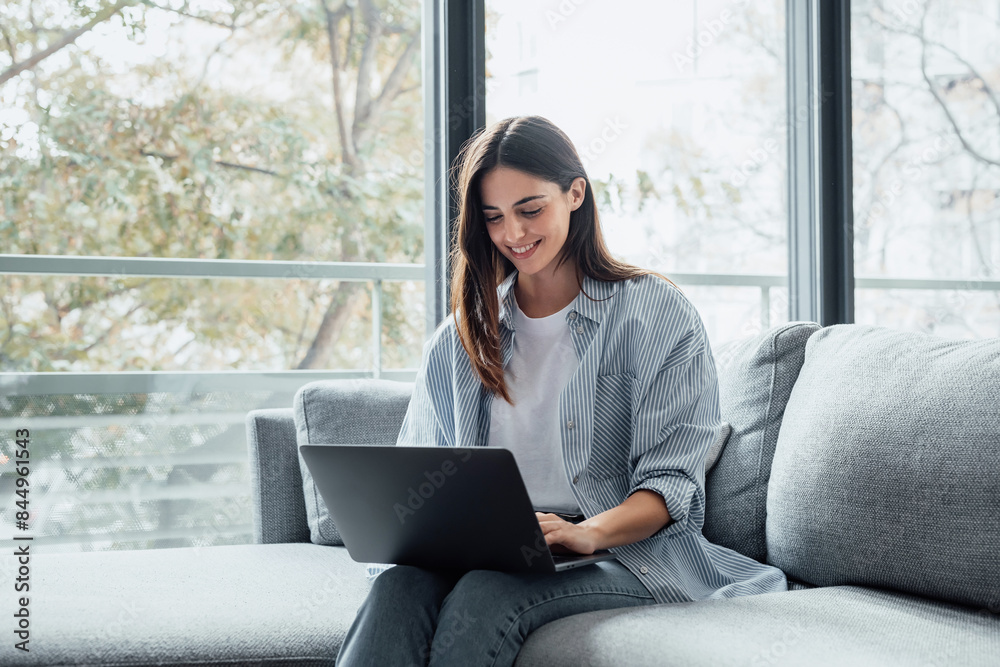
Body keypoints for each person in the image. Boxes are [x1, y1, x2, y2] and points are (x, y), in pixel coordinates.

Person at [334, 115, 787, 667]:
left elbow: (669, 487)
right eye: (494, 218)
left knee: (485, 597)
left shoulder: (654, 314)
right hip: (492, 547)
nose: (514, 235)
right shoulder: (462, 336)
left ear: (575, 194)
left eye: (530, 210)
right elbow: (420, 482)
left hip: (620, 549)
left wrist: (588, 533)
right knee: (396, 590)